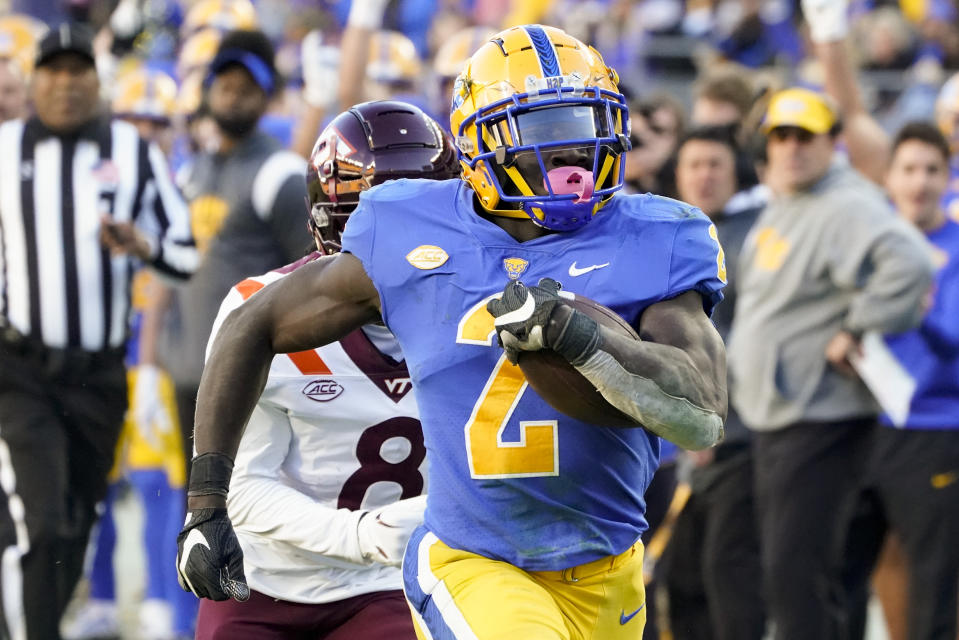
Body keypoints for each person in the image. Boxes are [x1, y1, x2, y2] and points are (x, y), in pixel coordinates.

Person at [176, 24, 728, 639]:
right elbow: (253, 323)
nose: (574, 149)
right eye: (545, 128)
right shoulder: (411, 225)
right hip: (475, 558)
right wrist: (206, 502)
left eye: (585, 121)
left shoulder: (655, 234)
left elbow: (699, 414)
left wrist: (584, 342)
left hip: (607, 563)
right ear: (482, 142)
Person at [192, 99, 458, 640]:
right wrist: (361, 534)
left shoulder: (476, 313)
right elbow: (241, 489)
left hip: (392, 582)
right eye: (387, 227)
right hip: (266, 580)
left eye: (423, 223)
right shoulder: (261, 314)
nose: (407, 250)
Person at [0, 24, 197, 640]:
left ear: (96, 81)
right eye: (51, 71)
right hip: (21, 368)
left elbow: (186, 255)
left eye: (76, 70)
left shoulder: (132, 152)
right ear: (34, 81)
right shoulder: (4, 148)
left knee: (80, 519)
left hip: (98, 372)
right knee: (44, 521)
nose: (63, 84)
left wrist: (144, 244)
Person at [726, 87, 935, 640]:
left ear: (832, 143)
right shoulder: (790, 201)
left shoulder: (844, 203)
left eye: (805, 137)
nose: (792, 148)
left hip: (820, 415)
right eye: (781, 137)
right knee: (796, 575)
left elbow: (910, 262)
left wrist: (857, 325)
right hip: (781, 415)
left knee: (798, 577)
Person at [158, 28, 309, 477]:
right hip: (190, 374)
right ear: (207, 90)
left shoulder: (279, 174)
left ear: (268, 97)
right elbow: (173, 273)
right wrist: (155, 361)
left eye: (246, 89)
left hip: (250, 380)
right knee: (199, 515)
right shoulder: (193, 171)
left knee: (245, 517)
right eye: (225, 86)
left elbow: (313, 274)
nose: (233, 97)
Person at [835, 122, 959, 640]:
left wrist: (916, 309)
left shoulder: (953, 247)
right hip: (857, 423)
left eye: (932, 170)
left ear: (948, 178)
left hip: (934, 431)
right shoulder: (868, 236)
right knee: (838, 575)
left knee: (933, 587)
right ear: (889, 178)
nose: (920, 182)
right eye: (909, 169)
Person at [657, 125, 765, 640]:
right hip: (673, 442)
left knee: (730, 570)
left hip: (737, 437)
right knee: (682, 576)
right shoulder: (662, 239)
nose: (704, 175)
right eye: (694, 164)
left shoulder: (756, 236)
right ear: (677, 174)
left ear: (736, 173)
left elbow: (752, 340)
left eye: (715, 164)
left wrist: (710, 416)